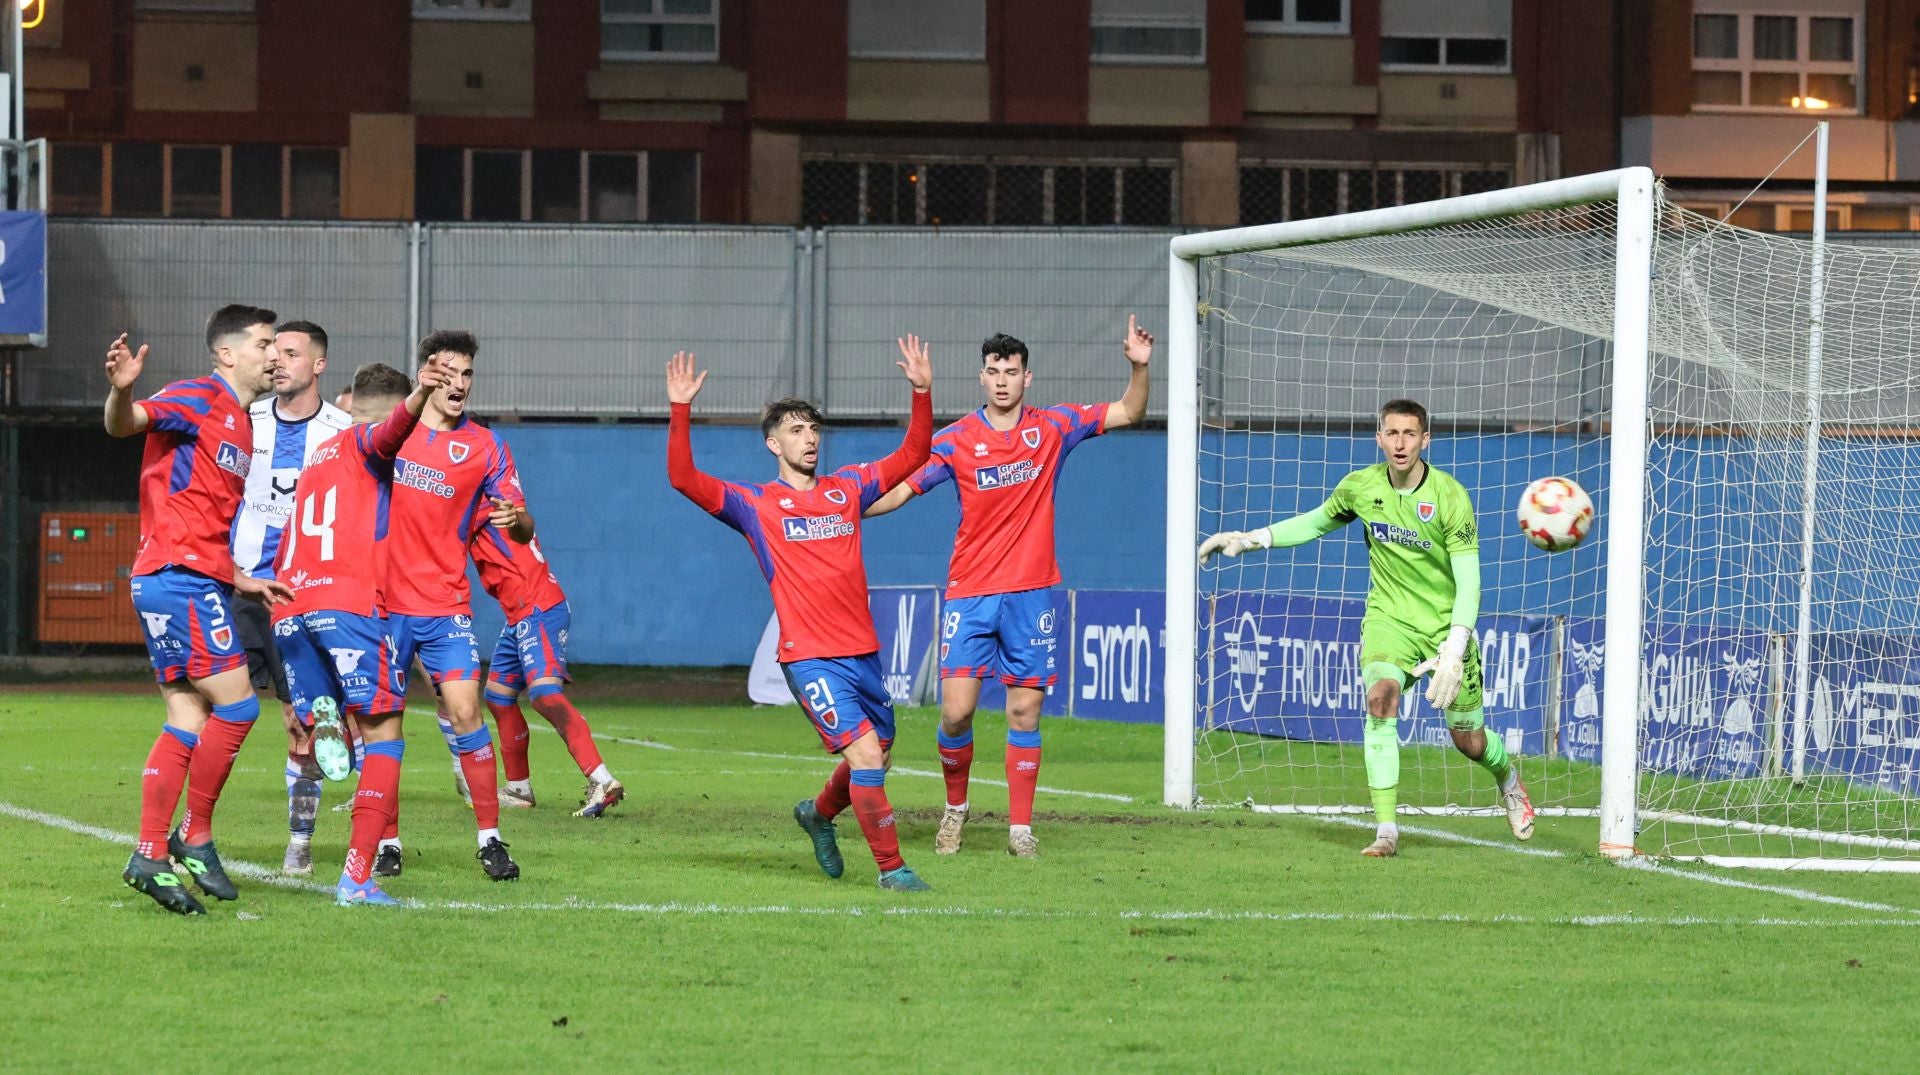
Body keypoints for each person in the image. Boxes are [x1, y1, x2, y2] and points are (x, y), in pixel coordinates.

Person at [864, 318, 1153, 858]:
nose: (1002, 381)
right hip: (970, 594)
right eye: (993, 372)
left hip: (1029, 594)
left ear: (1028, 378)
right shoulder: (955, 440)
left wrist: (1138, 366)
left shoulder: (1053, 429)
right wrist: (845, 511)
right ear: (981, 378)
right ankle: (955, 809)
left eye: (1011, 372)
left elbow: (1130, 411)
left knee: (1024, 713)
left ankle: (1020, 828)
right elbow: (902, 489)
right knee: (955, 713)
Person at [1197, 398, 1535, 857]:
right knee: (1380, 700)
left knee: (1470, 743)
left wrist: (1455, 648)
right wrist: (1251, 539)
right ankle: (1386, 831)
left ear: (1425, 440)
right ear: (1379, 438)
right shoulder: (1360, 488)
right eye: (1391, 434)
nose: (1400, 444)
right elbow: (1315, 523)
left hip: (1443, 630)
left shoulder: (1451, 498)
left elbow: (1470, 583)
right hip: (1387, 622)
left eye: (1409, 434)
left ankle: (1508, 780)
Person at [667, 340, 934, 890]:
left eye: (813, 429)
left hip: (862, 650)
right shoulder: (756, 504)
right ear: (773, 444)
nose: (809, 439)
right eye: (795, 430)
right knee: (863, 753)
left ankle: (816, 814)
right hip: (809, 656)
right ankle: (893, 871)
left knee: (878, 757)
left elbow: (912, 455)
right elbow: (684, 478)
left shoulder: (849, 488)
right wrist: (680, 409)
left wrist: (922, 392)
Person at [104, 305, 293, 914]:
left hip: (191, 577)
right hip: (177, 579)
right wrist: (122, 389)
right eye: (265, 343)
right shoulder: (198, 395)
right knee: (237, 707)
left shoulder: (242, 423)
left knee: (188, 714)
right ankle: (195, 836)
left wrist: (242, 577)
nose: (274, 354)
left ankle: (151, 854)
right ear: (226, 353)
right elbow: (125, 423)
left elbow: (197, 511)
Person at [272, 359, 453, 906]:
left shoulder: (317, 457)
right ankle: (356, 877)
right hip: (345, 607)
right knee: (386, 739)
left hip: (290, 605)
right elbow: (394, 430)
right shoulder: (372, 445)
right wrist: (423, 394)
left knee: (331, 725)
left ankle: (325, 715)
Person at [382, 330, 532, 882]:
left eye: (467, 375)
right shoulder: (392, 435)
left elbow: (522, 522)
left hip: (446, 606)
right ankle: (387, 841)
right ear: (426, 373)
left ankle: (491, 839)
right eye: (449, 373)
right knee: (385, 727)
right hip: (383, 606)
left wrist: (517, 522)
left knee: (467, 712)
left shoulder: (486, 445)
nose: (460, 385)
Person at [227, 319, 353, 875]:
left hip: (304, 599)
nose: (278, 362)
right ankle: (186, 830)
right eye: (273, 353)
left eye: (292, 353)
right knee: (203, 710)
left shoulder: (345, 431)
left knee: (301, 723)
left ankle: (300, 841)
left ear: (319, 364)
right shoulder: (242, 419)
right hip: (238, 587)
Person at [473, 520, 626, 818]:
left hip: (538, 608)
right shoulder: (483, 505)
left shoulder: (481, 505)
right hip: (519, 615)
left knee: (544, 694)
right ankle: (519, 788)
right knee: (498, 696)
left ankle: (601, 780)